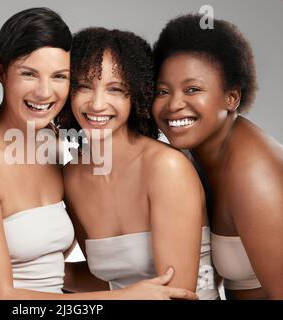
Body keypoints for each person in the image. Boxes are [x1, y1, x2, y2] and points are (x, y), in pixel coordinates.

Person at [0, 7, 197, 300]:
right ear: (0, 70)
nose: (44, 92)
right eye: (28, 74)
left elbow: (58, 274)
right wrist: (124, 298)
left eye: (59, 76)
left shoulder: (54, 144)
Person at [56, 27, 218, 300]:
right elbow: (108, 283)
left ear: (137, 95)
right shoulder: (71, 176)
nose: (97, 104)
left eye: (115, 89)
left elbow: (176, 295)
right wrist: (33, 272)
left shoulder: (166, 168)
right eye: (84, 86)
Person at [152, 14, 283, 300]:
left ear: (231, 98)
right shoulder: (190, 158)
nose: (174, 104)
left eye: (193, 89)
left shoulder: (254, 175)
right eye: (162, 91)